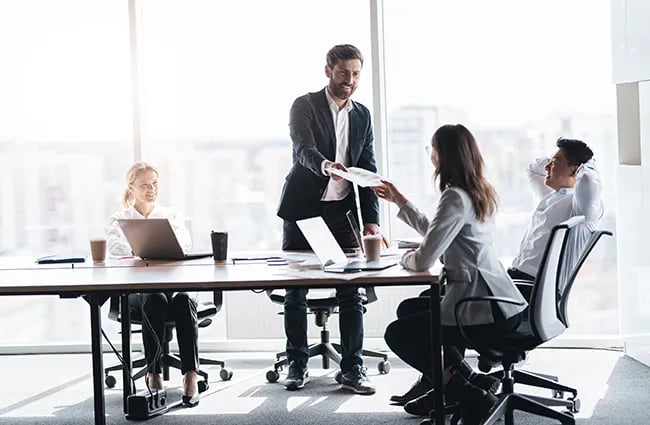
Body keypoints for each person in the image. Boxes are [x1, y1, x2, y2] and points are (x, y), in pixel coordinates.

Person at [391, 137, 605, 414]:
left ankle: (459, 389)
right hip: (518, 285)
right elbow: (532, 168)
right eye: (550, 161)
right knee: (417, 305)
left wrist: (586, 162)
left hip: (527, 294)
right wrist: (559, 158)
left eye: (557, 162)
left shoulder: (582, 209)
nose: (548, 167)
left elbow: (590, 182)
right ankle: (458, 382)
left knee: (416, 321)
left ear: (577, 171)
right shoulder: (554, 199)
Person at [373, 124, 528, 424]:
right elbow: (442, 234)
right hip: (498, 301)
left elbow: (423, 260)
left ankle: (469, 394)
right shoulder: (478, 190)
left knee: (399, 333)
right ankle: (464, 381)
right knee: (411, 309)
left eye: (432, 149)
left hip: (480, 308)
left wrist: (404, 258)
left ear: (444, 155)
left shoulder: (454, 196)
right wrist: (401, 202)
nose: (430, 156)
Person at [276, 44, 384, 395]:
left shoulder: (362, 115)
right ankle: (297, 362)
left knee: (351, 290)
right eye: (342, 74)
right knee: (296, 290)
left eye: (355, 74)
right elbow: (302, 148)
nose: (349, 81)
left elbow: (367, 168)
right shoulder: (304, 105)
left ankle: (353, 368)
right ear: (328, 71)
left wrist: (371, 220)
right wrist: (325, 166)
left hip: (341, 212)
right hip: (302, 208)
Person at [106, 161, 201, 407]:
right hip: (140, 291)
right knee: (154, 298)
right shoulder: (120, 218)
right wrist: (146, 246)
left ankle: (190, 375)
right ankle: (154, 372)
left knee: (182, 299)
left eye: (155, 183)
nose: (151, 189)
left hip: (175, 285)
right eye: (145, 185)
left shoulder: (171, 215)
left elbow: (183, 245)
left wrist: (141, 247)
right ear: (132, 187)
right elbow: (116, 250)